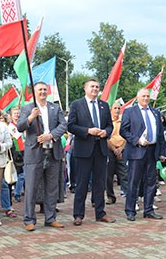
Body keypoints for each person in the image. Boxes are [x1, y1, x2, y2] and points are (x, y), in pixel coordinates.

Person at [17, 82, 68, 231]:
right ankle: (29, 220)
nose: (43, 92)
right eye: (40, 90)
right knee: (31, 188)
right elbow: (20, 126)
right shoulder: (28, 108)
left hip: (53, 152)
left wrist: (51, 136)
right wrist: (31, 118)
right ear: (34, 91)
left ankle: (50, 218)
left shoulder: (55, 107)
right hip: (34, 152)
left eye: (45, 89)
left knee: (51, 188)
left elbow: (63, 125)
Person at [67, 79, 115, 226]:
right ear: (85, 88)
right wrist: (88, 131)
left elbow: (110, 126)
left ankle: (100, 213)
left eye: (97, 87)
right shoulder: (77, 104)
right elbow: (71, 126)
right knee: (82, 183)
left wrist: (105, 132)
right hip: (83, 149)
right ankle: (78, 215)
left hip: (100, 148)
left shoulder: (104, 105)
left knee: (100, 183)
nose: (95, 89)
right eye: (92, 86)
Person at [120, 89, 165, 221]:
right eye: (143, 96)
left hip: (152, 151)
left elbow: (160, 134)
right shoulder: (130, 111)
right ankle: (130, 210)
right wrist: (137, 140)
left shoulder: (155, 112)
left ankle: (149, 209)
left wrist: (161, 153)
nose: (146, 98)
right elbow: (124, 130)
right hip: (136, 150)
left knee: (151, 182)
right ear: (138, 97)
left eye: (147, 96)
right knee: (133, 182)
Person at [106, 102, 128, 205]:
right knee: (108, 175)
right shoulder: (107, 122)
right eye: (115, 108)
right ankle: (110, 196)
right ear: (111, 110)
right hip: (110, 150)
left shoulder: (123, 121)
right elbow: (106, 138)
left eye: (119, 108)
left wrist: (121, 148)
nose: (117, 110)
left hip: (122, 149)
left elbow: (126, 136)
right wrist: (114, 149)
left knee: (124, 174)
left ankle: (129, 196)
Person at [8, 107, 25, 203]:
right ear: (11, 115)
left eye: (18, 113)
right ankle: (15, 193)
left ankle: (18, 192)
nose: (17, 115)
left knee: (22, 174)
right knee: (18, 173)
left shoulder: (24, 125)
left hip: (25, 149)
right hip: (16, 152)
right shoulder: (10, 127)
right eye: (15, 113)